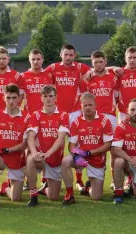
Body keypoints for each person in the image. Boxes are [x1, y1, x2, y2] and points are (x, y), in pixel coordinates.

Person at [45, 44, 92, 191]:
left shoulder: (80, 68)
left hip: (75, 113)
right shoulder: (53, 68)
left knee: (77, 146)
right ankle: (47, 179)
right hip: (58, 113)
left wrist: (113, 68)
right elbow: (38, 74)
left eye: (71, 55)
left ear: (75, 55)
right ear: (61, 54)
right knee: (52, 142)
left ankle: (78, 180)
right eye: (66, 54)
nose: (68, 58)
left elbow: (98, 68)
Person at [61, 92, 113, 204]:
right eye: (85, 105)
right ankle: (70, 194)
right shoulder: (76, 122)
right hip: (82, 157)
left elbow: (108, 145)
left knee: (96, 197)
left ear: (95, 105)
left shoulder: (104, 121)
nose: (88, 108)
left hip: (97, 160)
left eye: (90, 105)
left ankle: (87, 188)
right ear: (81, 106)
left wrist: (89, 153)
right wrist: (77, 156)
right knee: (66, 161)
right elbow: (71, 145)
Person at [25, 85, 70, 206]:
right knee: (30, 159)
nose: (48, 99)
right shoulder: (36, 115)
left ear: (56, 97)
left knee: (54, 197)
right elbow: (30, 138)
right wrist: (34, 153)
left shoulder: (63, 115)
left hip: (54, 159)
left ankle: (45, 188)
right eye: (45, 96)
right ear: (41, 98)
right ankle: (33, 195)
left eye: (51, 96)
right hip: (41, 157)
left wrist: (48, 154)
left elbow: (61, 139)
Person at [81, 50, 119, 189]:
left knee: (113, 150)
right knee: (93, 148)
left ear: (105, 61)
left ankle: (115, 181)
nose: (98, 64)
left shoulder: (113, 77)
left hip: (110, 116)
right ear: (92, 63)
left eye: (100, 62)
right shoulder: (88, 78)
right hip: (94, 118)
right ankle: (91, 178)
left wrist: (113, 68)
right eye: (95, 62)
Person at [0, 84, 28, 202]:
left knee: (16, 198)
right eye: (8, 98)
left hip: (17, 158)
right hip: (1, 157)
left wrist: (6, 150)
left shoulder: (26, 117)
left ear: (19, 98)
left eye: (14, 98)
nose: (11, 101)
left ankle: (5, 189)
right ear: (3, 98)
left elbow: (25, 144)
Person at [22, 49, 54, 115]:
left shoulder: (49, 75)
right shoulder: (23, 76)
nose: (36, 62)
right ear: (29, 60)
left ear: (42, 60)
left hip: (47, 114)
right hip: (29, 114)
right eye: (33, 59)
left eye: (38, 59)